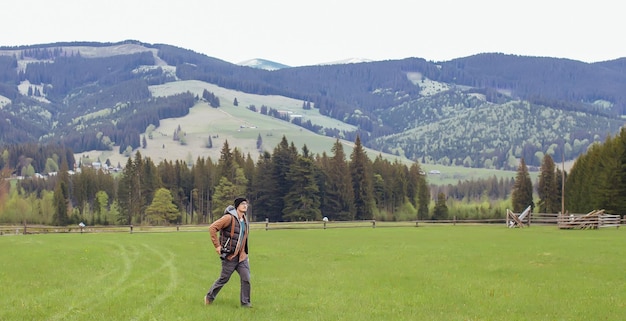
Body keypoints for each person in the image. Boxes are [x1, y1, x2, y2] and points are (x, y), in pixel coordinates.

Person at [205, 197, 252, 308]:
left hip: (242, 257)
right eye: (242, 204)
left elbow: (244, 238)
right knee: (224, 279)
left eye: (246, 203)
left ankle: (245, 304)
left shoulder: (245, 220)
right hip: (230, 256)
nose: (245, 205)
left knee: (246, 279)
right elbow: (212, 228)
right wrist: (217, 246)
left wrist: (245, 254)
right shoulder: (228, 218)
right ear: (237, 206)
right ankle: (209, 297)